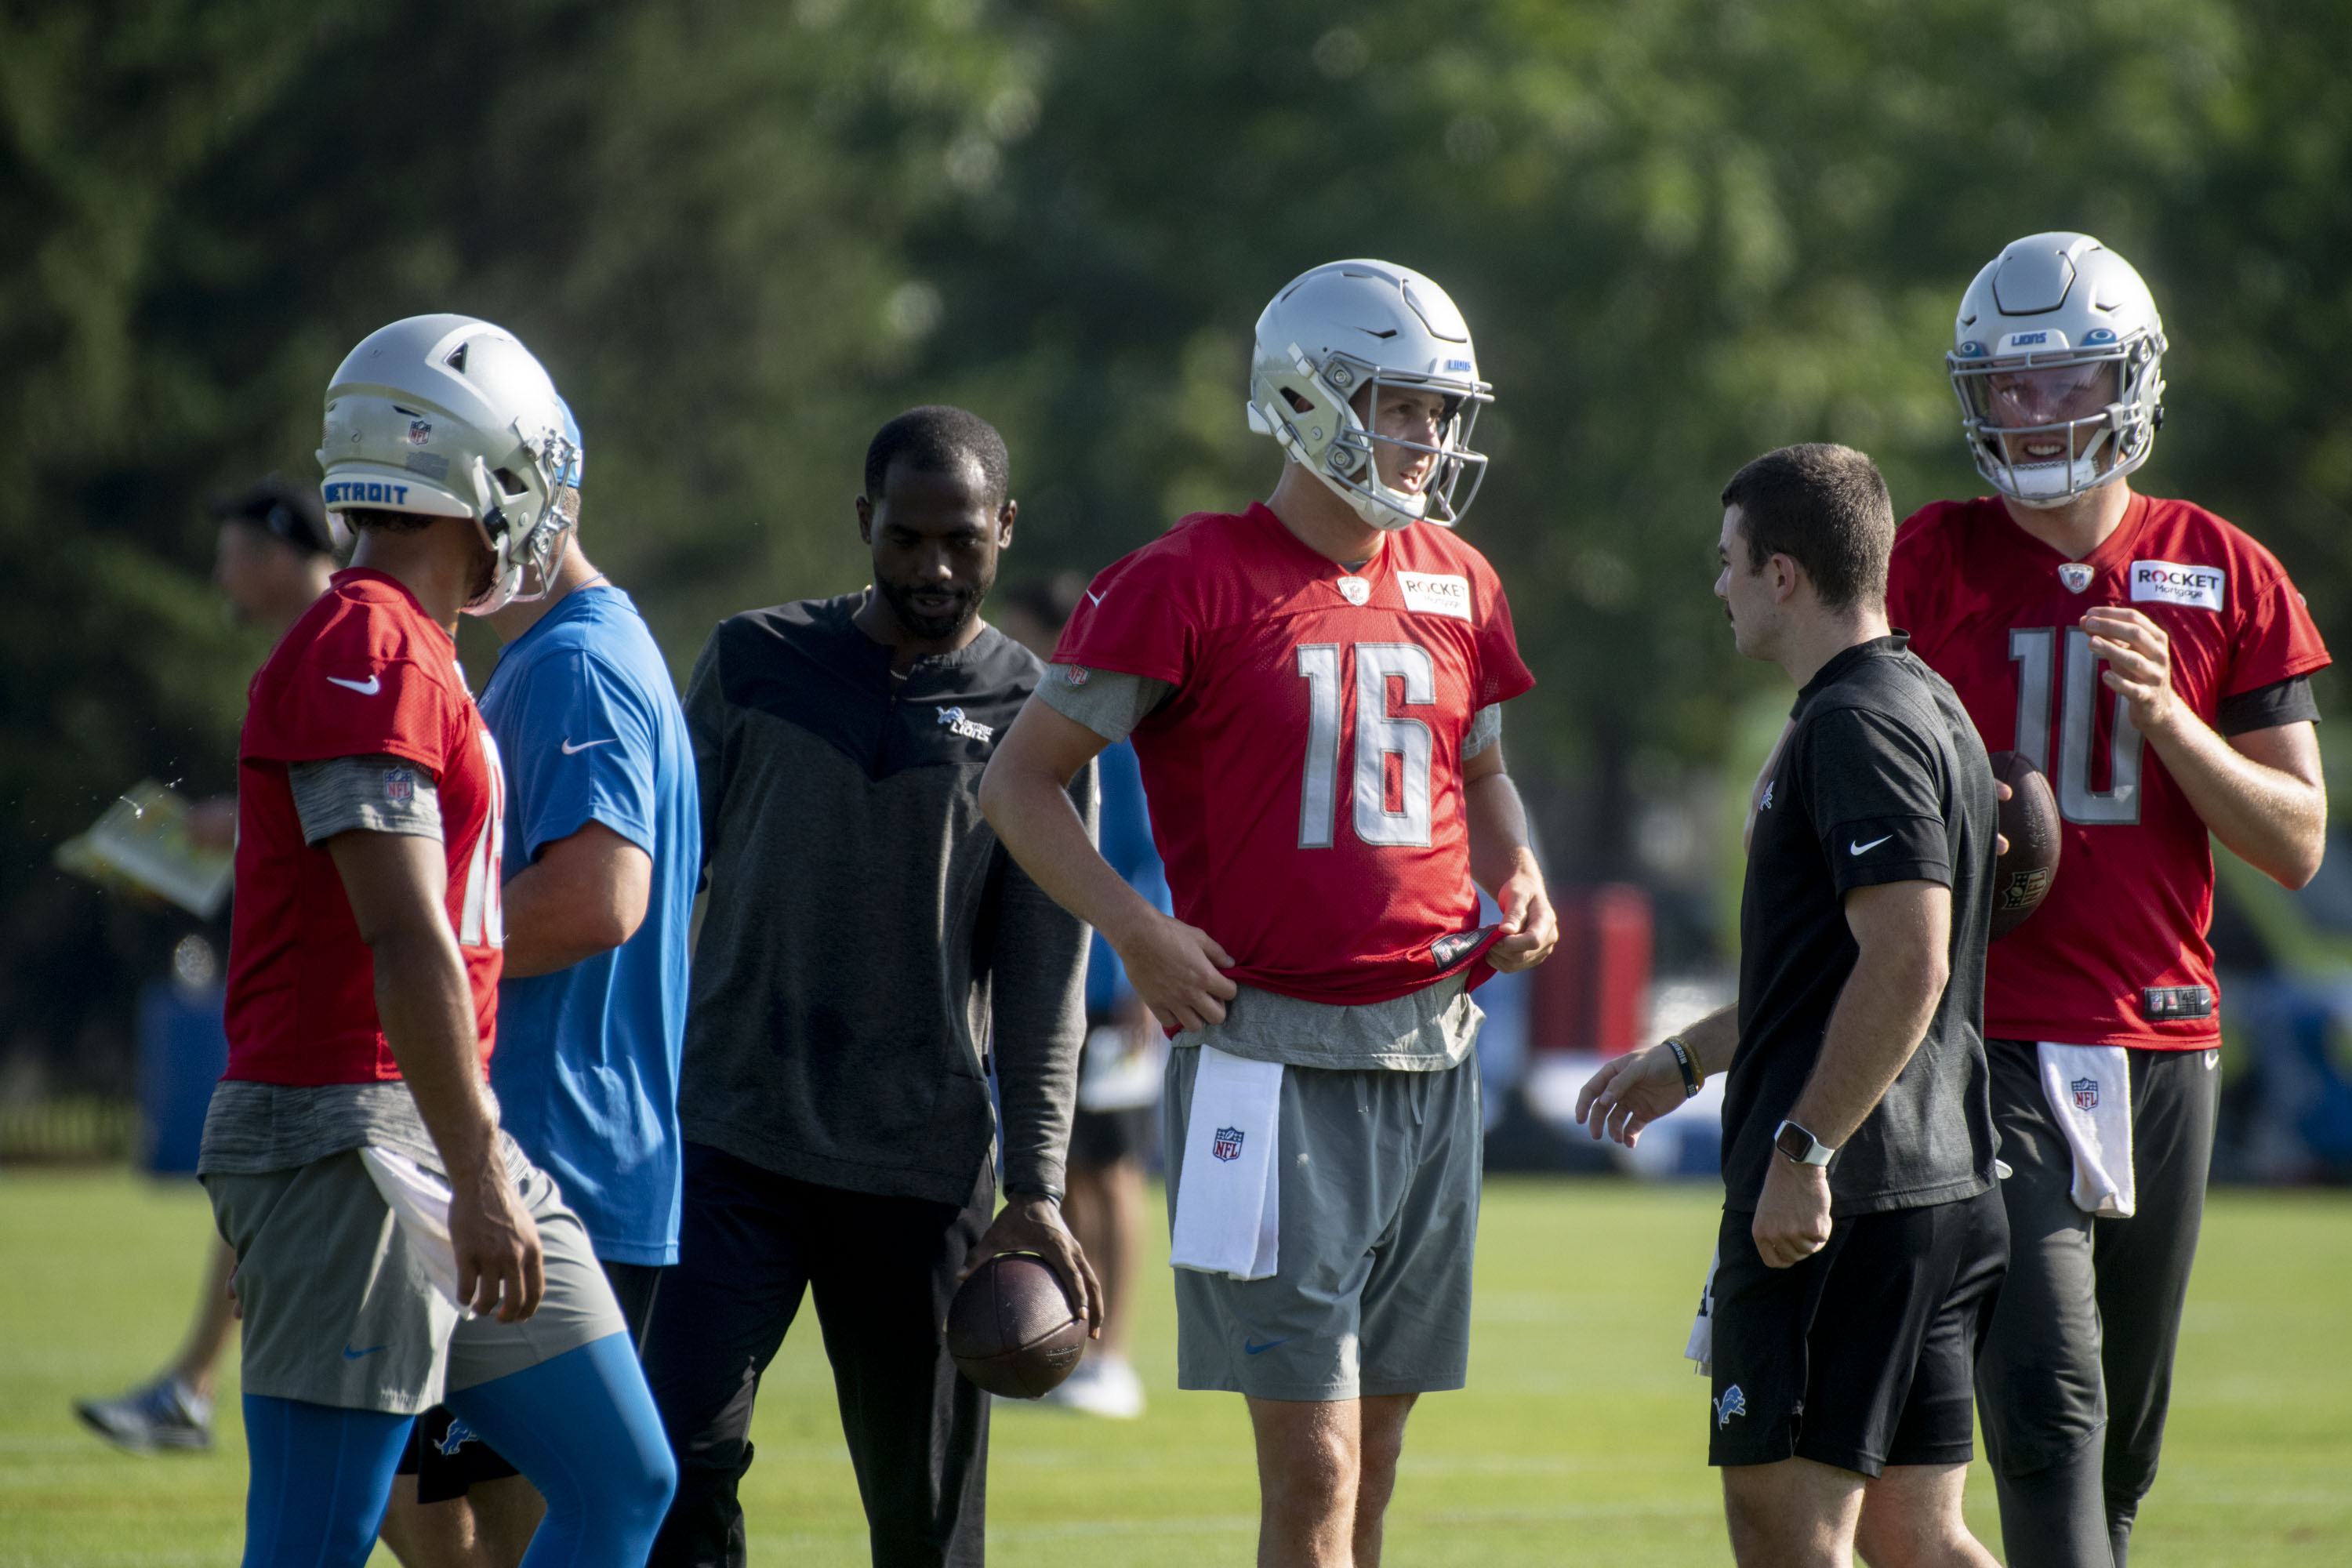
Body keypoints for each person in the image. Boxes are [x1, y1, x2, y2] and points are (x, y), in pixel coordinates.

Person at [979, 260, 1555, 1566]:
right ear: (1309, 393)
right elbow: (1018, 784)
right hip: (1269, 1057)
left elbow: (1484, 774)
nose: (1428, 439)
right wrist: (1133, 926)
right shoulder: (1189, 575)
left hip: (1433, 1052)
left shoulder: (1461, 575)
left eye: (1440, 411)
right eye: (1400, 406)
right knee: (1317, 1463)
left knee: (1381, 1456)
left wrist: (1522, 874)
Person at [198, 314, 673, 1566]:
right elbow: (406, 938)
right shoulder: (369, 648)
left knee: (625, 1479)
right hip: (348, 1132)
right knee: (315, 1539)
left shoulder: (421, 647)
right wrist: (476, 1176)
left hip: (435, 1125)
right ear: (484, 476)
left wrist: (473, 1159)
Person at [1886, 233, 2330, 1568]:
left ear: (2129, 380)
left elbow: (2296, 840)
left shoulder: (2225, 569)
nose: (2035, 412)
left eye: (2064, 379)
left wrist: (2172, 721)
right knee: (2049, 1400)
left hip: (2162, 1041)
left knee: (2120, 1454)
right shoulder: (1931, 558)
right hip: (1992, 1030)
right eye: (2007, 387)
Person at [642, 405, 1100, 1568]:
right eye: (905, 537)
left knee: (927, 1525)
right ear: (863, 523)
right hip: (730, 1141)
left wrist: (1039, 1186)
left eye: (963, 538)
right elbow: (645, 892)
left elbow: (1046, 983)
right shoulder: (753, 660)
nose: (934, 566)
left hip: (920, 1169)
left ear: (1005, 527)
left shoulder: (1040, 720)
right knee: (675, 1469)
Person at [1577, 443, 2006, 1568]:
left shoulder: (1853, 723)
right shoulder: (1926, 702)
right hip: (1932, 1183)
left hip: (1851, 1197)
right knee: (1921, 1540)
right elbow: (1826, 971)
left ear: (1783, 574)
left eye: (1727, 562)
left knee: (1786, 1542)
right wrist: (1690, 1057)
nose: (1716, 586)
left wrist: (1804, 1148)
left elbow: (1908, 961)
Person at [378, 387, 701, 1564]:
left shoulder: (576, 666)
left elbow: (597, 899)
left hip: (551, 1162)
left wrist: (402, 966)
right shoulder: (556, 656)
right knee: (424, 1511)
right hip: (545, 1159)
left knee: (453, 1521)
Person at [74, 476, 339, 1454]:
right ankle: (191, 1385)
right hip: (300, 993)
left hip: (328, 1007)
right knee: (253, 1187)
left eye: (231, 549)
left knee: (263, 1186)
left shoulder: (333, 647)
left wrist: (232, 829)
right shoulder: (313, 649)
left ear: (275, 551)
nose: (218, 571)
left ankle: (195, 1388)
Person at [995, 572, 1172, 1421]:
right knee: (1060, 1169)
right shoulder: (1039, 723)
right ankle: (1066, 1339)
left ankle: (1117, 1355)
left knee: (1113, 1169)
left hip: (1112, 985)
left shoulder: (1117, 732)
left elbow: (1156, 850)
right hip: (1054, 983)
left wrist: (1148, 960)